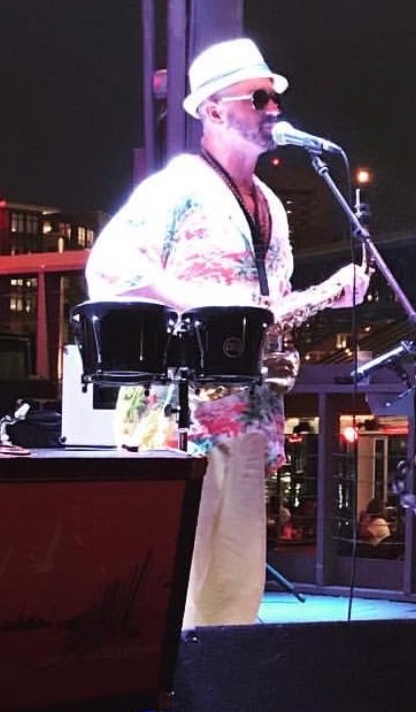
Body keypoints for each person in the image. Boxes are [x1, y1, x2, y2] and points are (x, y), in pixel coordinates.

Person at [84, 37, 368, 626]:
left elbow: (268, 307)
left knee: (236, 585)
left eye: (274, 97)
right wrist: (202, 305)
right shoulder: (176, 187)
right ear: (213, 109)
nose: (273, 108)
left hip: (250, 412)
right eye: (258, 97)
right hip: (179, 413)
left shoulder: (271, 206)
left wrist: (329, 295)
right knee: (173, 583)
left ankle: (218, 683)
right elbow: (110, 269)